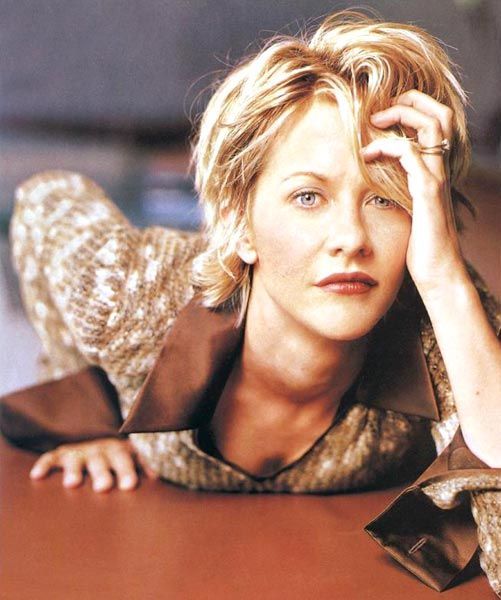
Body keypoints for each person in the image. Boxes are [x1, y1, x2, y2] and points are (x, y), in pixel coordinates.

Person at [1, 10, 500, 594]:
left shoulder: (448, 324)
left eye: (385, 200)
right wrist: (83, 405)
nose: (351, 238)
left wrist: (444, 281)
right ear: (239, 225)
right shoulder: (133, 294)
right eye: (308, 196)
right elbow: (44, 200)